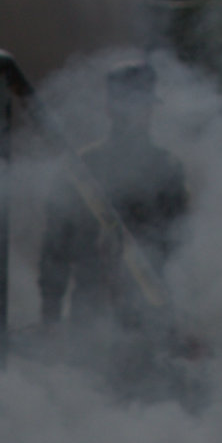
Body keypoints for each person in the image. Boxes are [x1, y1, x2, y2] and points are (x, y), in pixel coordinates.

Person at [37, 61, 189, 330]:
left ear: (151, 110)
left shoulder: (168, 170)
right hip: (91, 315)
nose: (136, 115)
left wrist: (186, 321)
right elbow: (54, 252)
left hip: (149, 317)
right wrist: (50, 320)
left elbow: (182, 251)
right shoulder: (81, 169)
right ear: (110, 110)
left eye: (141, 106)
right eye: (128, 106)